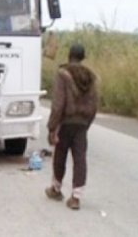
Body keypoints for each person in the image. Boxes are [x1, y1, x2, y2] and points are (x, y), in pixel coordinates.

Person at [45, 43, 98, 210]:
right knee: (80, 158)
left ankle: (56, 189)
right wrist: (86, 124)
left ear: (69, 55)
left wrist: (52, 127)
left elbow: (58, 104)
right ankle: (76, 197)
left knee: (60, 155)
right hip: (82, 123)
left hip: (66, 122)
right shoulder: (92, 77)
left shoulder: (63, 74)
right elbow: (94, 105)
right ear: (83, 57)